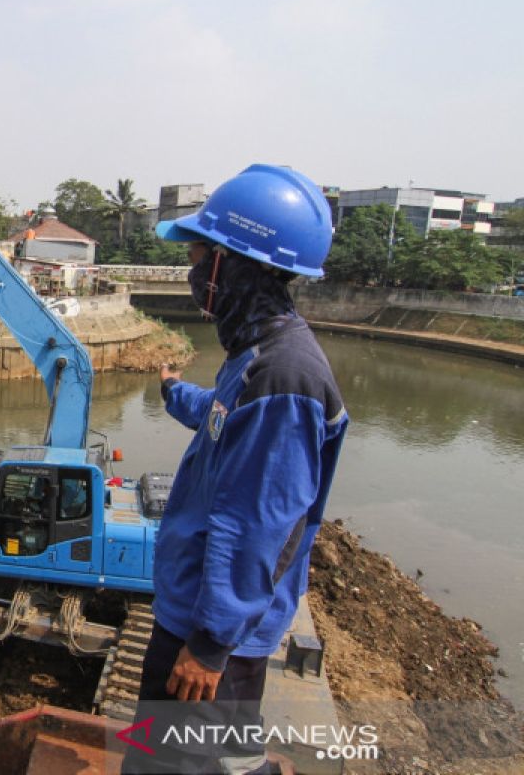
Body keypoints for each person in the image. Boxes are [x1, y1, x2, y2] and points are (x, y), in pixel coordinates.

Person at [121, 164, 348, 775]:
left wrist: (210, 644)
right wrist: (174, 393)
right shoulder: (255, 356)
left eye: (199, 255)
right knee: (219, 759)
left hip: (207, 628)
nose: (194, 273)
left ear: (231, 264)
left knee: (163, 767)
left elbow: (258, 524)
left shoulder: (283, 377)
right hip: (199, 612)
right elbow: (224, 420)